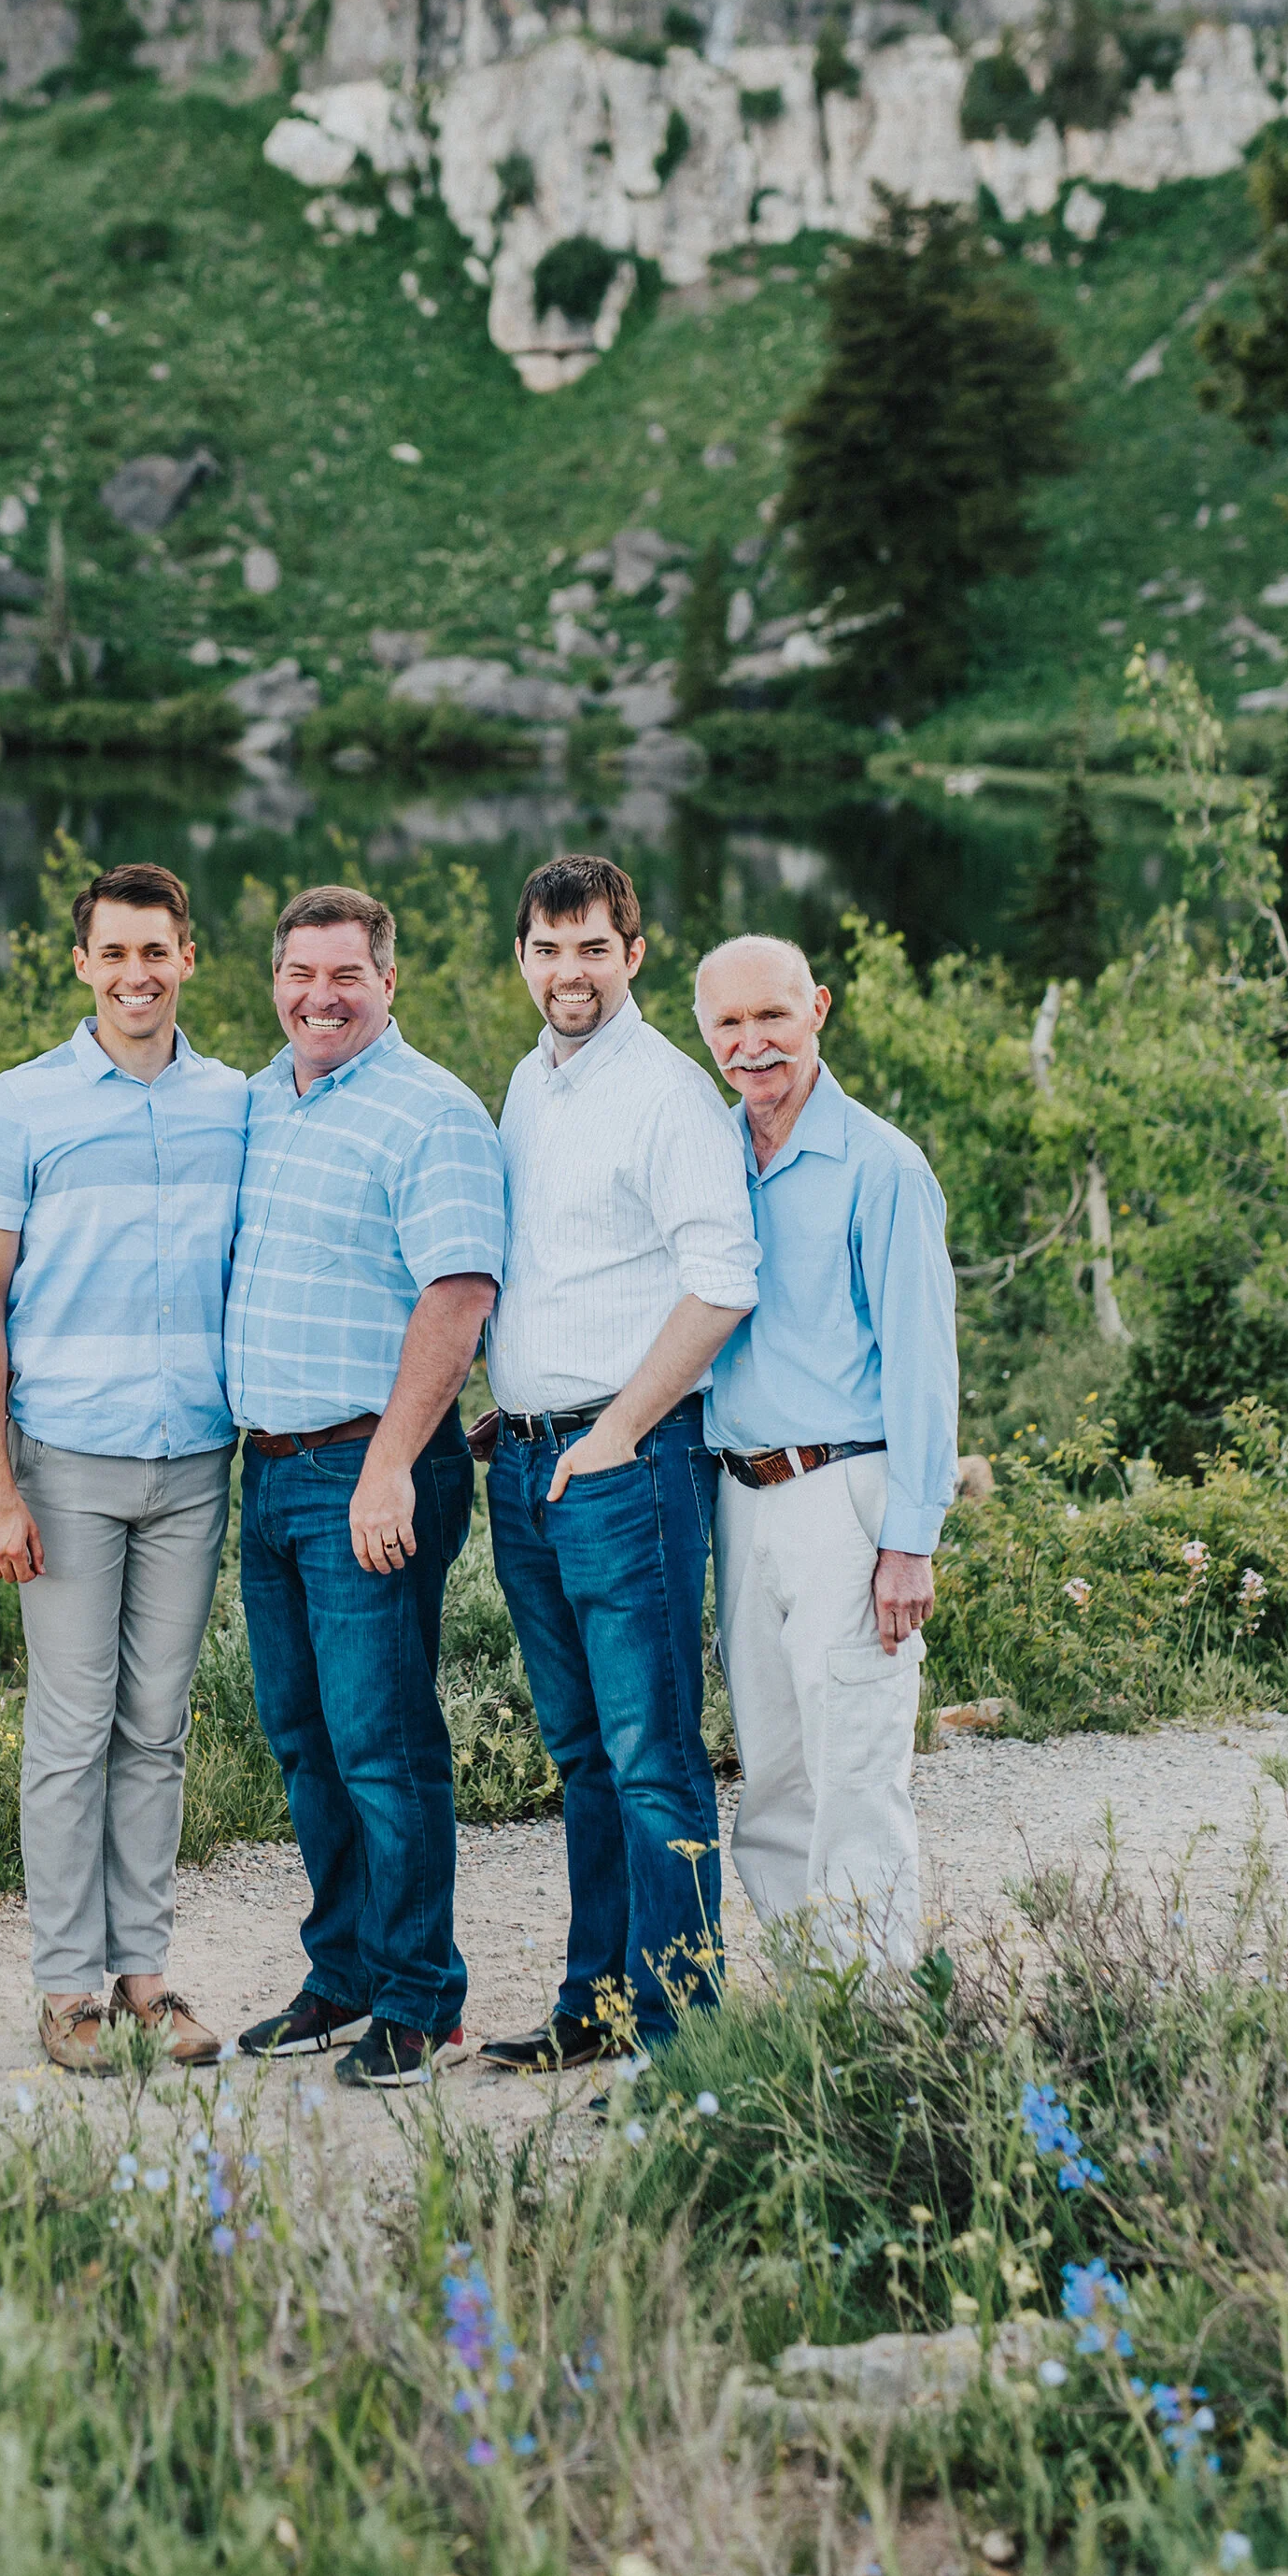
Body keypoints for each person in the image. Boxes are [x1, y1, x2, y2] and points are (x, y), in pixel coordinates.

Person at [0, 861, 248, 2073]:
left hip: (194, 1459)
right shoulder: (22, 1106)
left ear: (189, 955)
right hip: (65, 1459)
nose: (136, 972)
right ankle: (65, 1985)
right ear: (80, 962)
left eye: (156, 950)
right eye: (113, 951)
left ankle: (145, 1976)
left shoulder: (238, 1100)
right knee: (71, 1728)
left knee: (158, 1726)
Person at [477, 855, 758, 2079]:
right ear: (524, 958)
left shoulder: (667, 1094)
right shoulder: (530, 1086)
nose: (569, 970)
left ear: (632, 952)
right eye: (548, 948)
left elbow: (724, 1280)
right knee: (584, 1752)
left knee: (652, 1755)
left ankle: (682, 2031)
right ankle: (594, 2000)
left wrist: (615, 1430)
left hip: (626, 1463)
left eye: (592, 946)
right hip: (533, 1465)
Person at [225, 885, 507, 2091]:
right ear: (276, 977)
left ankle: (418, 1994)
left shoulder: (430, 1111)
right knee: (302, 1734)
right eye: (300, 972)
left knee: (382, 1741)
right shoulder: (259, 1099)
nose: (320, 994)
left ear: (390, 979)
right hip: (271, 1466)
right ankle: (340, 1966)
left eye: (346, 973)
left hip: (370, 1463)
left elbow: (457, 1296)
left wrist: (390, 1462)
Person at [695, 932, 958, 1970]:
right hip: (740, 1496)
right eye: (729, 1022)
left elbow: (925, 1367)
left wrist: (911, 1541)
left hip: (845, 1493)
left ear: (819, 1010)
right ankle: (817, 2009)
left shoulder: (881, 1165)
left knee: (854, 1767)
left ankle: (878, 2023)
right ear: (705, 1030)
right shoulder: (709, 1152)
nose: (752, 1042)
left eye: (773, 1015)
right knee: (772, 1778)